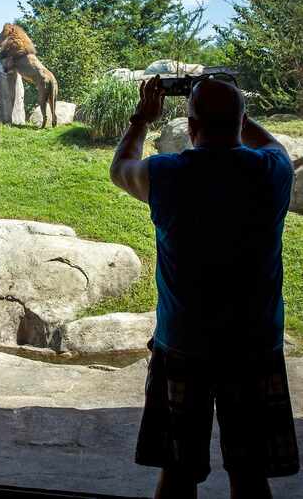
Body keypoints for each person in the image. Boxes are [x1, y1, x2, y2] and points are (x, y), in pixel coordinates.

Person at [110, 76, 299, 498]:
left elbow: (120, 168)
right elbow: (275, 147)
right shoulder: (271, 172)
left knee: (177, 473)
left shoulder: (167, 175)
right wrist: (235, 105)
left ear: (191, 126)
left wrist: (142, 119)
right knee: (251, 475)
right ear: (240, 121)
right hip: (253, 344)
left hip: (183, 344)